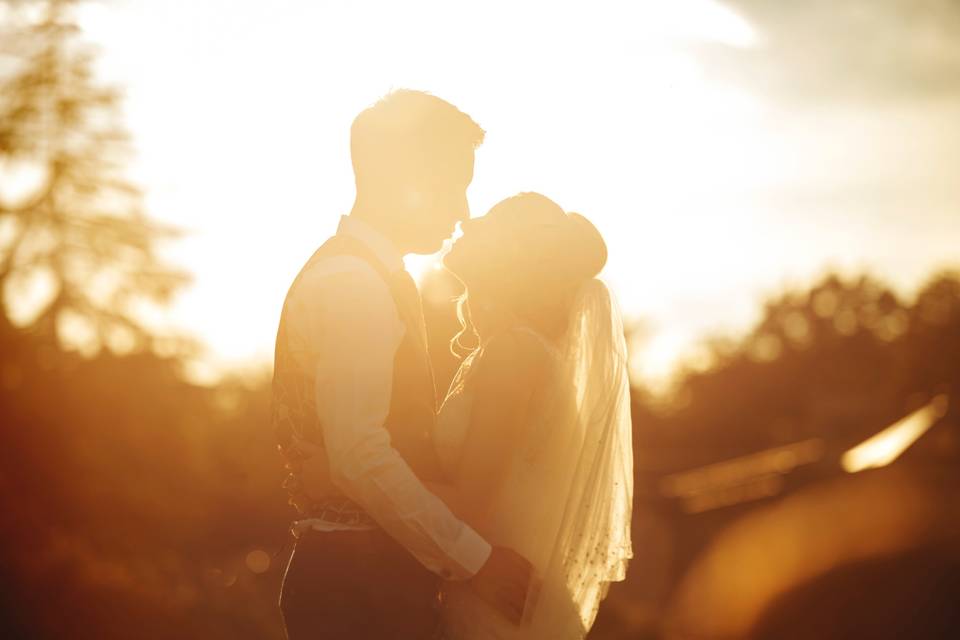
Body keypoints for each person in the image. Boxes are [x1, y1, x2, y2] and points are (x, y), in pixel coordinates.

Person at [271, 90, 532, 640]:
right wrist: (476, 561)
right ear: (404, 180)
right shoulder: (353, 285)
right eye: (454, 185)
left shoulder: (375, 279)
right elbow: (360, 454)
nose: (463, 210)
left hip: (371, 578)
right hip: (357, 588)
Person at [434, 192, 634, 639]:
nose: (468, 224)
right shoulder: (516, 350)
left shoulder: (516, 354)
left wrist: (359, 482)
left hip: (494, 609)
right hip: (497, 598)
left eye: (489, 223)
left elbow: (473, 505)